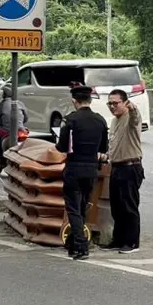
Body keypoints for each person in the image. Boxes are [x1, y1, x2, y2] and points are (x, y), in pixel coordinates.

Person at [56, 84, 109, 260]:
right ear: (90, 100)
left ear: (74, 101)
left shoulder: (70, 120)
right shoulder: (100, 120)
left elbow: (62, 147)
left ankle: (81, 246)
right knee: (82, 207)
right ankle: (73, 243)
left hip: (74, 169)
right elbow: (103, 147)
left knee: (73, 208)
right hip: (92, 169)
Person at [100, 89, 144, 254]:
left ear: (125, 103)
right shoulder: (114, 121)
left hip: (130, 167)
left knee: (129, 206)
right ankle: (118, 240)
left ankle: (132, 243)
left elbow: (135, 119)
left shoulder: (130, 118)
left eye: (115, 103)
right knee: (117, 207)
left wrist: (133, 109)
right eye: (109, 103)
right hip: (116, 167)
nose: (112, 106)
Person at [0, 85, 28, 170]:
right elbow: (26, 118)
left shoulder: (2, 105)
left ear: (4, 95)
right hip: (21, 131)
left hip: (6, 133)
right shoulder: (20, 103)